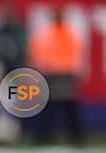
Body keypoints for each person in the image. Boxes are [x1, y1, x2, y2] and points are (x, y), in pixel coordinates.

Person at [28, 6, 85, 145]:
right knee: (48, 108)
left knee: (69, 107)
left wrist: (72, 69)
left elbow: (76, 52)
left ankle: (75, 136)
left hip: (66, 75)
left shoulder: (70, 32)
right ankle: (44, 136)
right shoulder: (45, 33)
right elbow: (36, 52)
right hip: (50, 75)